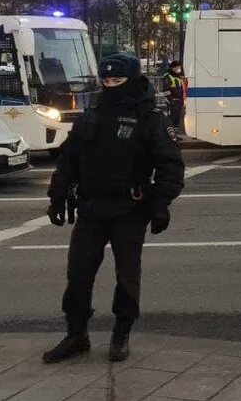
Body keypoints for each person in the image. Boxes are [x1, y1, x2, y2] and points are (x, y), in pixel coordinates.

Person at [42, 54, 184, 364]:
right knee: (78, 276)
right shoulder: (92, 113)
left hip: (129, 209)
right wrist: (57, 195)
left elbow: (171, 166)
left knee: (127, 277)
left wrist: (160, 205)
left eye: (117, 81)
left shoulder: (150, 117)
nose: (110, 86)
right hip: (91, 208)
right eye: (105, 81)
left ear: (131, 80)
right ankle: (76, 334)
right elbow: (69, 159)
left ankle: (121, 332)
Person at [161, 60, 185, 132]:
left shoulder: (179, 76)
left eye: (179, 67)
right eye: (177, 68)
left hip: (179, 100)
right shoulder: (167, 77)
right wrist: (170, 100)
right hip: (172, 101)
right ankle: (170, 135)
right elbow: (166, 90)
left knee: (177, 119)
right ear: (173, 68)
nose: (179, 69)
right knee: (172, 118)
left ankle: (175, 134)